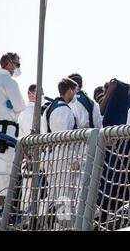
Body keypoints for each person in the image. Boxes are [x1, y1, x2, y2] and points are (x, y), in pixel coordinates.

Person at [0, 52, 25, 212]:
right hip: (5, 133)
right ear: (10, 64)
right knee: (4, 172)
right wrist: (11, 105)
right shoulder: (8, 82)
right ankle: (1, 211)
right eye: (17, 64)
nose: (17, 68)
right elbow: (19, 105)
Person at [41, 78, 80, 208]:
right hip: (62, 159)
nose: (75, 94)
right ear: (69, 91)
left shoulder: (49, 108)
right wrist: (73, 160)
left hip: (49, 156)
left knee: (52, 193)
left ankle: (44, 222)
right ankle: (61, 226)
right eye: (75, 91)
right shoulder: (64, 110)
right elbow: (63, 139)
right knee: (65, 194)